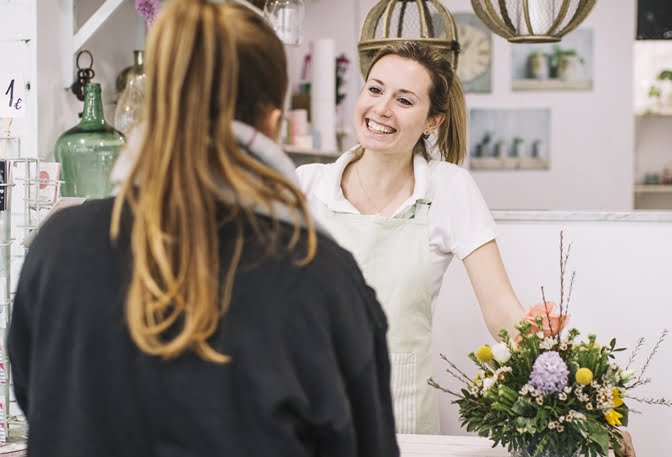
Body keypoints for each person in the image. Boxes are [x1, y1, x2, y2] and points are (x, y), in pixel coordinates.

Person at [7, 1, 399, 456]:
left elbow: (39, 401)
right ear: (272, 122)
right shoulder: (321, 276)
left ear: (159, 104)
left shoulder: (58, 249)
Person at [296, 41, 525, 435]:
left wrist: (575, 395)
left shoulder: (448, 188)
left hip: (401, 423)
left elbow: (504, 313)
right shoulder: (306, 187)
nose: (381, 109)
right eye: (375, 89)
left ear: (432, 121)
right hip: (306, 413)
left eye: (404, 100)